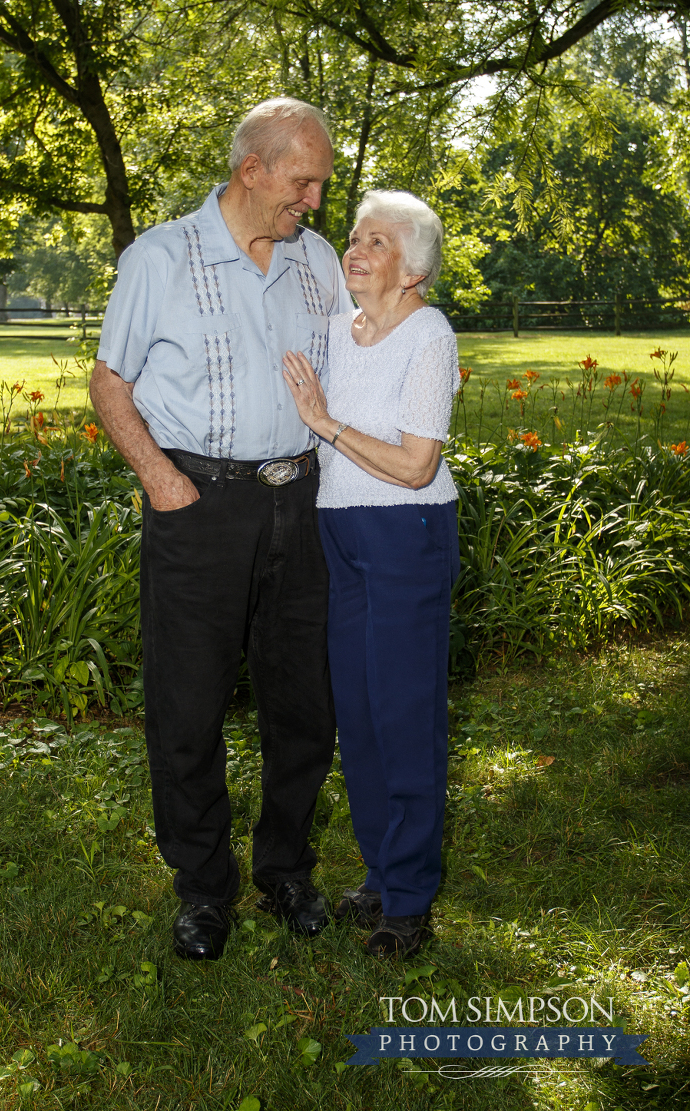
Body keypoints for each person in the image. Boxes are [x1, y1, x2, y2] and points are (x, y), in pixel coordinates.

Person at [90, 97, 353, 961]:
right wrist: (163, 482)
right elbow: (109, 383)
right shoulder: (160, 258)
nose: (315, 202)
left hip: (304, 502)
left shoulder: (317, 261)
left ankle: (285, 870)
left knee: (304, 706)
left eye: (319, 184)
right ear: (253, 170)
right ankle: (204, 889)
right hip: (199, 507)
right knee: (188, 708)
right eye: (303, 182)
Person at [283, 189, 460, 958]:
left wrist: (325, 423)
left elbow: (417, 465)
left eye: (376, 243)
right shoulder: (335, 330)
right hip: (340, 530)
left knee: (403, 711)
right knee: (355, 710)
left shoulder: (430, 335)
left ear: (413, 269)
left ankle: (412, 898)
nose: (354, 251)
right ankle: (382, 873)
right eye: (355, 238)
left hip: (406, 533)